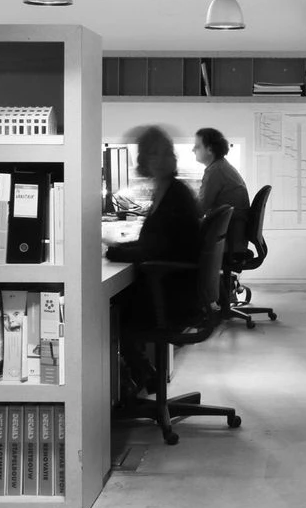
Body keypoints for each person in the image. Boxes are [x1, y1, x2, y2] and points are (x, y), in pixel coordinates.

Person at [105, 125, 201, 399]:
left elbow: (154, 249)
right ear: (144, 159)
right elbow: (154, 243)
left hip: (172, 296)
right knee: (116, 303)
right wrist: (120, 247)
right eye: (153, 153)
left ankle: (136, 376)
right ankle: (143, 373)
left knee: (107, 310)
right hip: (174, 288)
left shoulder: (175, 197)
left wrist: (114, 252)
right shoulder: (169, 190)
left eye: (165, 152)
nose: (161, 159)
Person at [194, 127, 250, 256]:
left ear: (209, 149)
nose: (193, 149)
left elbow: (199, 210)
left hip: (226, 242)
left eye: (197, 146)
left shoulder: (215, 171)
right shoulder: (222, 166)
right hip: (233, 239)